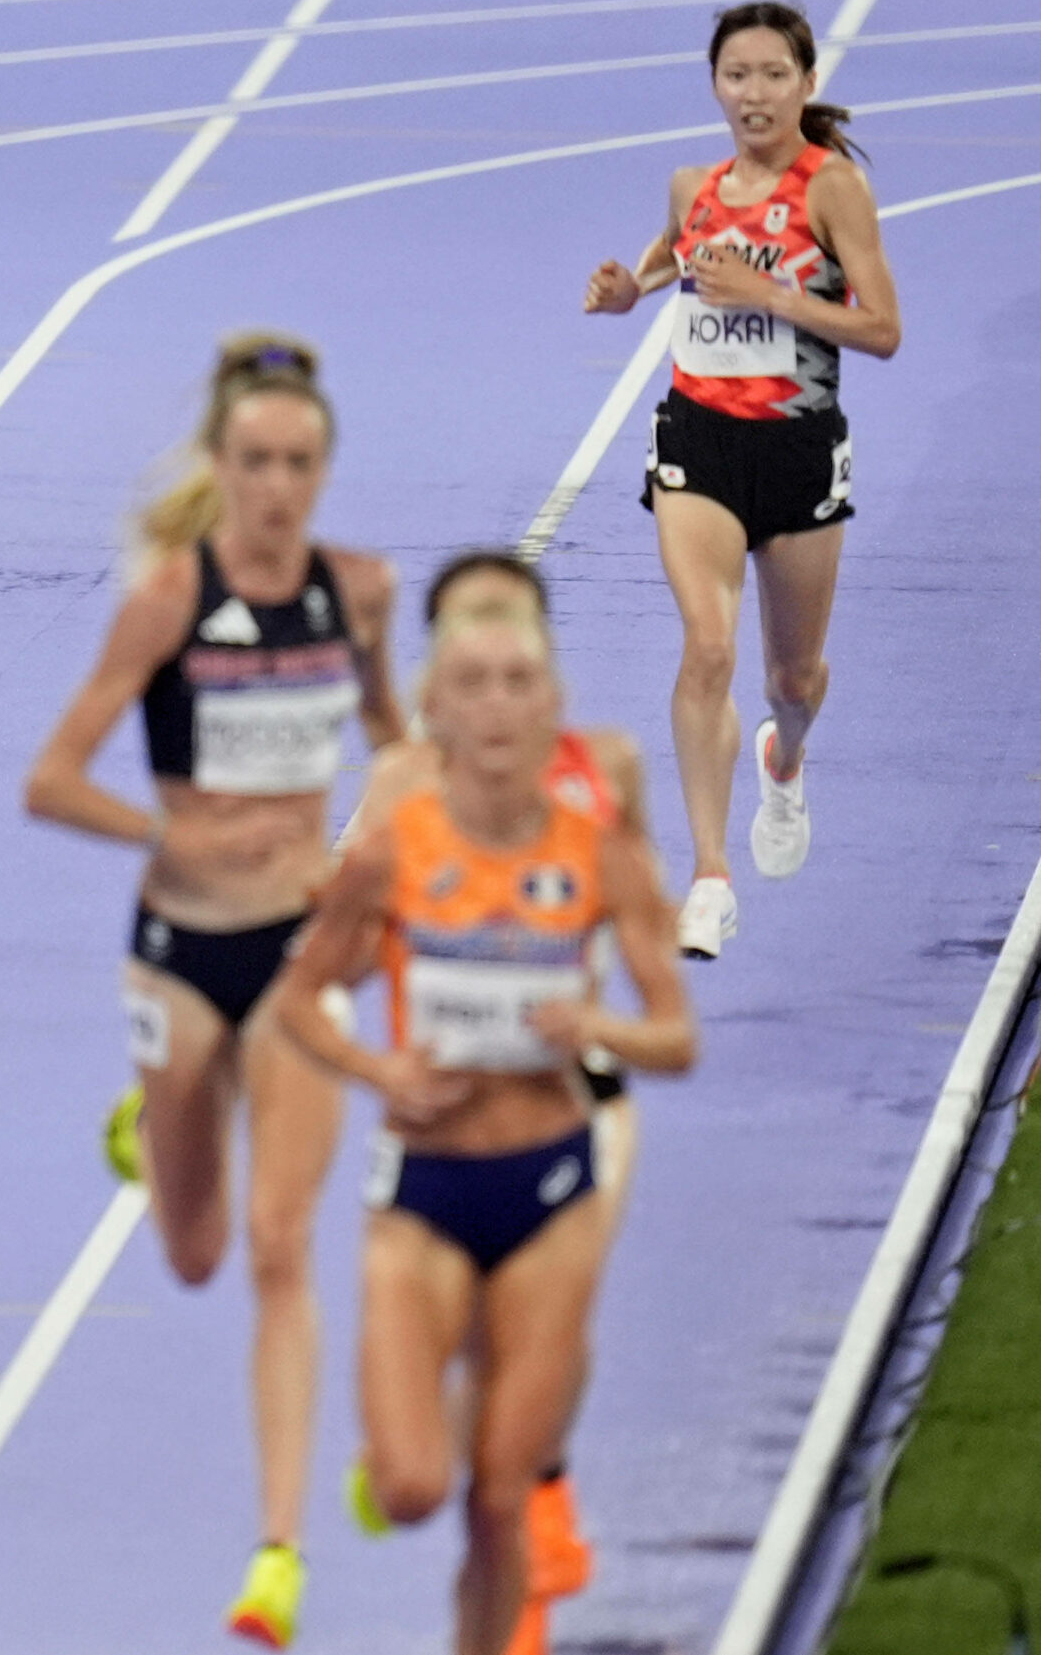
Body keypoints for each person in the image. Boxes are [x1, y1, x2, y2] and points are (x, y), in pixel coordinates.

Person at [25, 333, 401, 1648]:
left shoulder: (360, 594)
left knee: (283, 1247)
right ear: (225, 463)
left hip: (300, 958)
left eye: (303, 463)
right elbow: (52, 778)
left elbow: (397, 747)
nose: (281, 486)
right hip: (182, 954)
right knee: (192, 1252)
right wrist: (165, 838)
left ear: (325, 466)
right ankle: (153, 1118)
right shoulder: (162, 603)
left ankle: (277, 1556)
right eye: (258, 462)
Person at [275, 608, 694, 1655]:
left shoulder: (603, 824)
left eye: (521, 681)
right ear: (435, 711)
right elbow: (310, 978)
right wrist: (375, 1068)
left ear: (554, 701)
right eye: (474, 682)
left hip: (560, 1148)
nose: (499, 705)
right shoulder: (397, 830)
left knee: (500, 1482)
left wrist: (591, 1021)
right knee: (420, 1480)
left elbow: (667, 1017)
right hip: (424, 1170)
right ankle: (431, 1449)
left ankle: (530, 1523)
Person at [583, 0, 900, 958]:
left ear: (805, 83)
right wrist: (626, 290)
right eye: (736, 76)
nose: (754, 93)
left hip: (800, 450)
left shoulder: (832, 190)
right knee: (707, 650)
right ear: (714, 86)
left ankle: (785, 757)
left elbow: (883, 330)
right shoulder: (694, 183)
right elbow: (673, 254)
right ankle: (709, 876)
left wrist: (770, 295)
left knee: (789, 677)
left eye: (773, 75)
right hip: (700, 440)